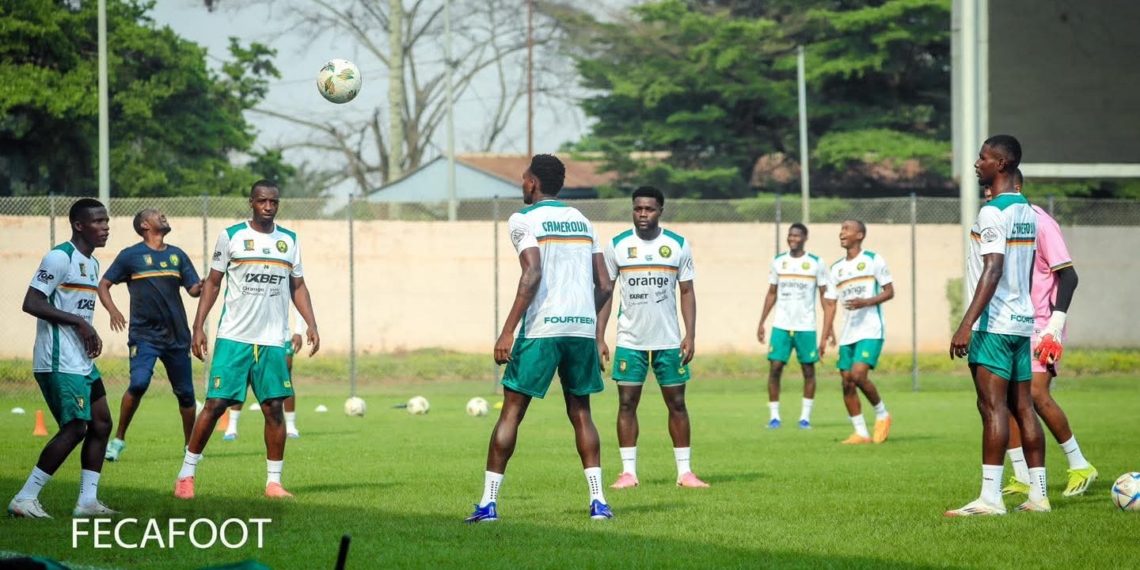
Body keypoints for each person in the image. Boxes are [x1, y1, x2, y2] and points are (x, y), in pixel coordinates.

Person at [465, 154, 615, 522]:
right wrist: (593, 328)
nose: (522, 184)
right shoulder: (583, 221)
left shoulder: (523, 219)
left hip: (542, 329)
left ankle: (488, 504)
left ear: (533, 182)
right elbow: (606, 284)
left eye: (524, 178)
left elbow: (531, 273)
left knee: (512, 412)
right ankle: (599, 503)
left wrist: (507, 329)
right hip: (580, 328)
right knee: (581, 413)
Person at [174, 180, 320, 500]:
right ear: (251, 202)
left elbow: (298, 286)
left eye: (274, 202)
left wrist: (311, 323)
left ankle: (273, 483)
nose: (269, 206)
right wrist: (198, 326)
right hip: (234, 337)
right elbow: (213, 283)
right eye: (263, 201)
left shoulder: (289, 241)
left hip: (271, 340)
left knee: (273, 409)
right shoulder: (231, 236)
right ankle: (186, 475)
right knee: (214, 405)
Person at [946, 135, 1049, 516]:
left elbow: (993, 268)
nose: (977, 163)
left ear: (1001, 164)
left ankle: (990, 499)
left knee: (992, 408)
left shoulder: (992, 213)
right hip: (1023, 323)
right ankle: (1039, 496)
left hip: (994, 324)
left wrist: (966, 324)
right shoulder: (1027, 210)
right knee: (1024, 407)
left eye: (983, 158)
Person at [986, 172, 1098, 497]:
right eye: (986, 191)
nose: (989, 195)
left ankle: (1080, 464)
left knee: (1036, 394)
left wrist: (1055, 326)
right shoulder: (996, 224)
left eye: (993, 188)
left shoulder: (1040, 221)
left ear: (1015, 187)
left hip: (1041, 325)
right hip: (1009, 324)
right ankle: (1022, 476)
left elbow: (1069, 276)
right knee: (1004, 399)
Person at [8, 199, 118, 518]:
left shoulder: (92, 264)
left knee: (101, 423)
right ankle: (25, 497)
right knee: (75, 427)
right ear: (79, 225)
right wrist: (80, 323)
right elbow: (32, 302)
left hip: (80, 360)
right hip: (58, 360)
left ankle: (87, 502)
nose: (105, 227)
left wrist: (88, 331)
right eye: (98, 222)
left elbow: (74, 308)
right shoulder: (60, 257)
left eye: (106, 221)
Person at [597, 186, 708, 490]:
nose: (643, 214)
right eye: (637, 209)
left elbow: (687, 291)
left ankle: (685, 472)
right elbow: (606, 293)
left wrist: (690, 335)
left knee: (677, 404)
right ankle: (628, 472)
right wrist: (600, 336)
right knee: (626, 403)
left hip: (669, 341)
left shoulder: (677, 245)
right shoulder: (618, 246)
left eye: (649, 209)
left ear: (661, 210)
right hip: (630, 340)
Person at [98, 209, 202, 461]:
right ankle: (118, 441)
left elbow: (194, 290)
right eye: (157, 215)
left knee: (186, 394)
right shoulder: (130, 256)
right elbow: (103, 284)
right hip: (144, 336)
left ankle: (189, 450)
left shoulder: (177, 256)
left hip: (177, 337)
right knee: (139, 383)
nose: (164, 215)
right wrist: (112, 310)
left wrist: (210, 282)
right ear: (145, 225)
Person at [819, 220, 894, 445]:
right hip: (848, 333)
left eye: (846, 229)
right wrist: (824, 336)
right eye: (840, 229)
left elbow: (889, 291)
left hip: (871, 329)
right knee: (846, 382)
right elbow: (830, 304)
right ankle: (861, 432)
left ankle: (882, 414)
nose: (841, 233)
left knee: (859, 375)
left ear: (859, 235)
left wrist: (866, 301)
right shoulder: (836, 268)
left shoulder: (873, 260)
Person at [757, 223, 830, 430]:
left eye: (797, 235)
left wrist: (829, 325)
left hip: (806, 326)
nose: (792, 239)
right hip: (781, 325)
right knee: (775, 368)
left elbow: (825, 296)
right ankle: (774, 417)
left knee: (808, 370)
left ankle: (805, 417)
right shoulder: (779, 261)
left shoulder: (816, 263)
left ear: (805, 238)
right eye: (790, 235)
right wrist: (762, 321)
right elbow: (772, 292)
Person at [223, 306, 307, 440]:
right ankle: (231, 427)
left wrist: (298, 331)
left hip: (280, 337)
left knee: (285, 377)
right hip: (250, 336)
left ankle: (291, 426)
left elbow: (296, 296)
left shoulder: (284, 283)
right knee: (244, 378)